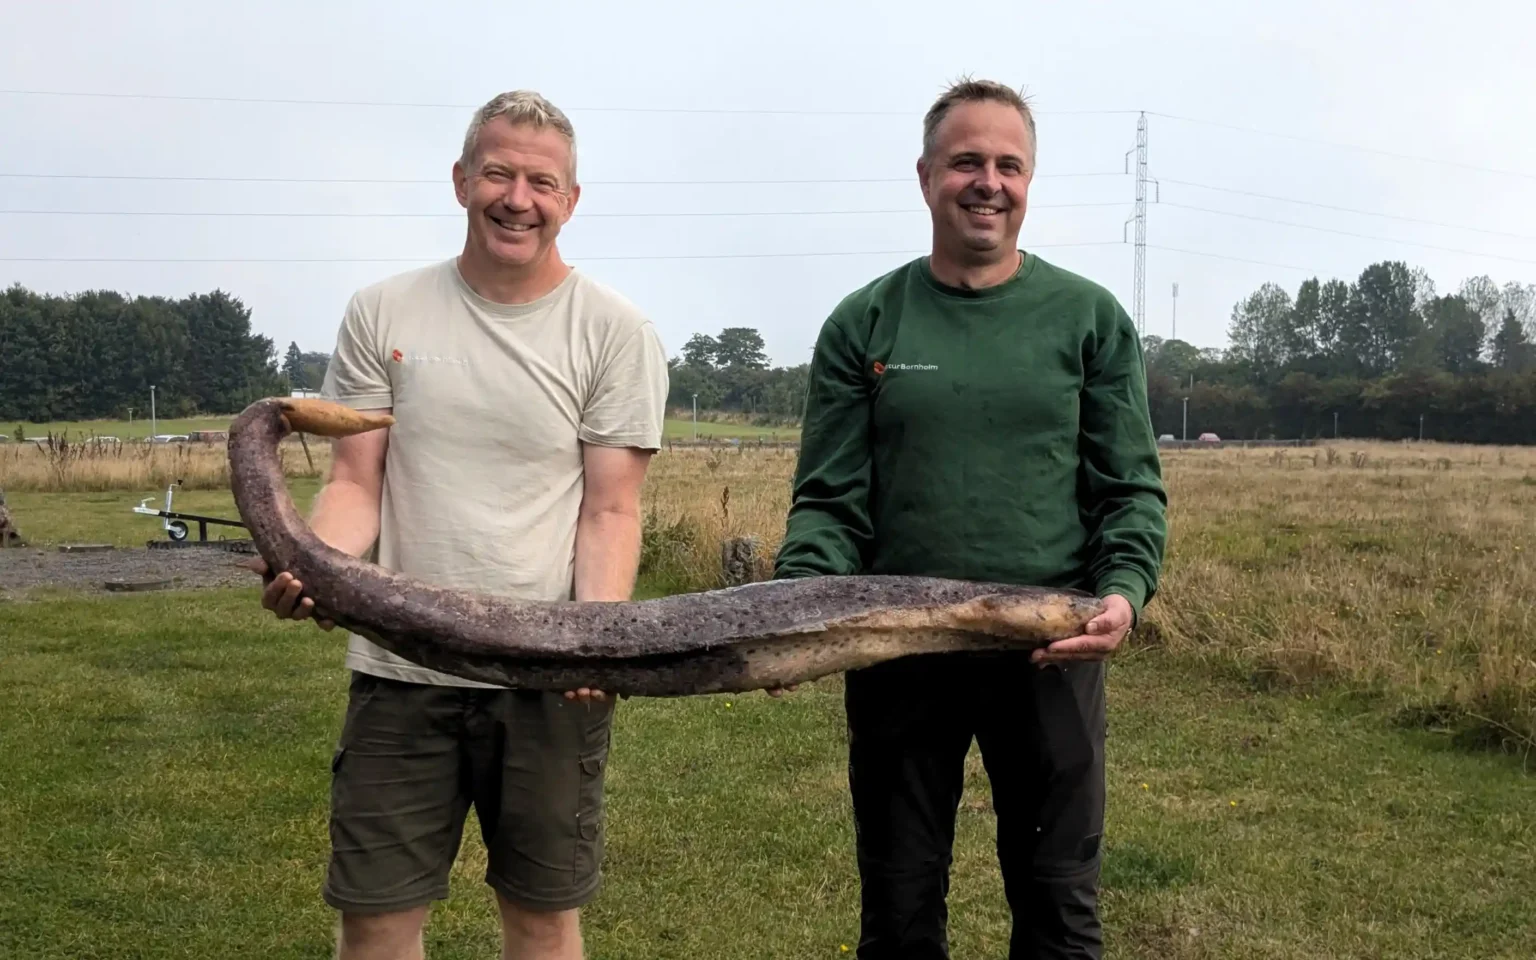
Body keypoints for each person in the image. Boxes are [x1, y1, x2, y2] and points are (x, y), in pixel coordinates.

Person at [252, 90, 669, 960]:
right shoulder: (383, 311)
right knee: (375, 920)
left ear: (571, 199)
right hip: (400, 669)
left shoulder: (617, 332)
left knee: (543, 919)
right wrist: (315, 565)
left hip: (548, 677)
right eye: (499, 174)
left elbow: (611, 507)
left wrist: (596, 636)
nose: (519, 199)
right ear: (460, 181)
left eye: (542, 182)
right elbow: (356, 480)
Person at [773, 78, 1167, 959]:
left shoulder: (1090, 319)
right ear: (925, 177)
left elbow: (1128, 487)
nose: (988, 182)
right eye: (966, 162)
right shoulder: (864, 322)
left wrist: (1124, 590)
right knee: (901, 900)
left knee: (1058, 903)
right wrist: (794, 610)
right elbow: (831, 503)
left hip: (1050, 647)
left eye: (1008, 165)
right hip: (898, 650)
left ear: (1029, 182)